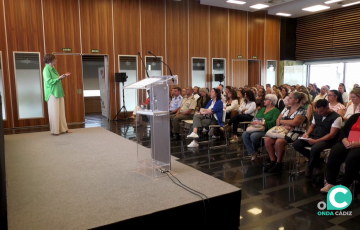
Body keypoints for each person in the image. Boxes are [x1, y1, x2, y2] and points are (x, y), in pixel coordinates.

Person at [293, 99, 342, 178]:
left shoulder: (337, 118)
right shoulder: (317, 114)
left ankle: (310, 167)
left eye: (321, 111)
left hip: (329, 140)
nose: (319, 113)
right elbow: (312, 126)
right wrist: (307, 134)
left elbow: (332, 135)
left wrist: (316, 141)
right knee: (296, 144)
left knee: (315, 148)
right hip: (315, 136)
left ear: (327, 108)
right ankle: (318, 162)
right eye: (318, 111)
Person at [264, 92, 308, 173]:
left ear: (296, 100)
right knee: (267, 140)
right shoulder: (286, 108)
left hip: (296, 132)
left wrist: (282, 122)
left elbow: (295, 123)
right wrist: (286, 124)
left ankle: (279, 163)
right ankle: (273, 161)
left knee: (279, 141)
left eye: (290, 98)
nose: (288, 99)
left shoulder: (302, 111)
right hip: (283, 130)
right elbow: (277, 121)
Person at [321, 113, 360, 193]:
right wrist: (345, 140)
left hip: (358, 144)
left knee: (352, 157)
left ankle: (346, 185)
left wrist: (358, 143)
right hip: (349, 141)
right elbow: (343, 130)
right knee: (335, 152)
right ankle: (331, 183)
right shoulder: (355, 116)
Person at [242, 94, 280, 161]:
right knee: (244, 134)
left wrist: (264, 123)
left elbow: (275, 122)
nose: (264, 101)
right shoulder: (262, 109)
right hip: (256, 127)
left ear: (271, 101)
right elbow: (255, 118)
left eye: (266, 99)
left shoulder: (276, 111)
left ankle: (260, 148)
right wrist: (252, 121)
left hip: (267, 129)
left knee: (253, 136)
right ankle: (254, 152)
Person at [42, 54, 72, 135]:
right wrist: (59, 78)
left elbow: (57, 79)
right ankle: (55, 131)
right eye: (55, 59)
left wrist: (63, 76)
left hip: (59, 92)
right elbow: (48, 81)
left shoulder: (53, 68)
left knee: (61, 111)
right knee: (54, 112)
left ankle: (63, 129)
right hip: (52, 92)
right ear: (50, 60)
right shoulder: (46, 69)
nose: (56, 60)